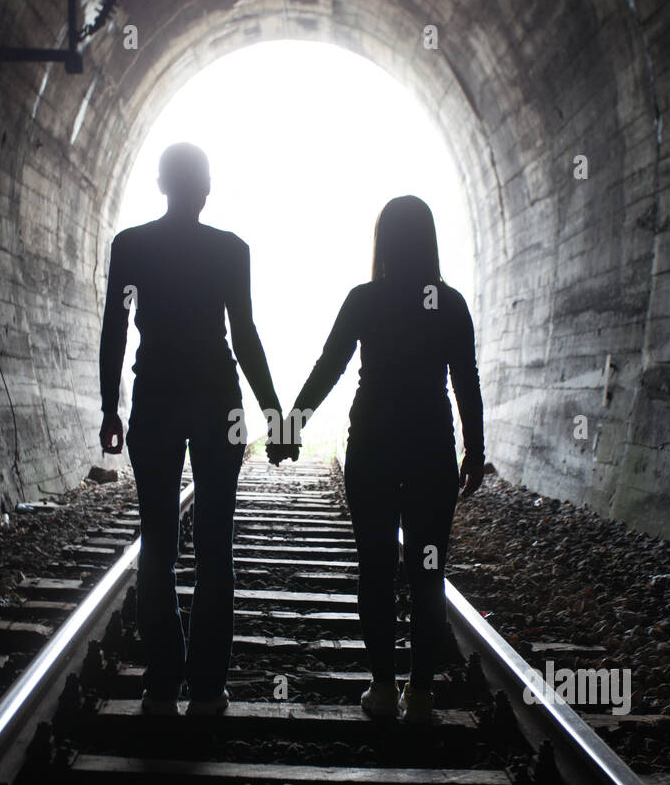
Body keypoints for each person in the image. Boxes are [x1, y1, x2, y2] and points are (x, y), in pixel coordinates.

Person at [98, 142, 285, 716]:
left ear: (160, 184)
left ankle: (161, 684)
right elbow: (245, 335)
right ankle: (207, 688)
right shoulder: (231, 251)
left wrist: (111, 408)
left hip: (154, 396)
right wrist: (275, 414)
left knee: (156, 544)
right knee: (215, 544)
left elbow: (114, 330)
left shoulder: (131, 246)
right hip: (217, 401)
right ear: (206, 189)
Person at [283, 196, 484, 723]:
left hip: (372, 447)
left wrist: (291, 425)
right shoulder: (450, 303)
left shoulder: (365, 300)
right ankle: (420, 696)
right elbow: (466, 382)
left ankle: (381, 688)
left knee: (374, 569)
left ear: (384, 242)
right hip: (431, 450)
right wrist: (476, 450)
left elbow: (328, 367)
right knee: (427, 571)